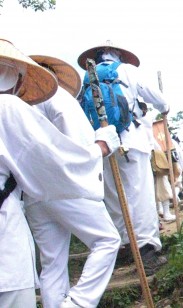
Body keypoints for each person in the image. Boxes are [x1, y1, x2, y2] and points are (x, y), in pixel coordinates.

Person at [0, 39, 120, 308]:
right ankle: (77, 304)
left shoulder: (20, 105)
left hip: (31, 195)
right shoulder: (15, 104)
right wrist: (99, 148)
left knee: (53, 263)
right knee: (107, 240)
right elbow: (69, 144)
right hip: (62, 185)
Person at [77, 40, 170, 275]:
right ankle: (146, 252)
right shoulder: (128, 71)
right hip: (132, 141)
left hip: (103, 144)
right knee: (140, 196)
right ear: (117, 54)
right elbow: (156, 97)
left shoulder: (87, 78)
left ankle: (123, 248)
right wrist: (165, 107)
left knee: (114, 197)